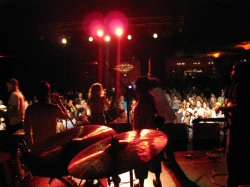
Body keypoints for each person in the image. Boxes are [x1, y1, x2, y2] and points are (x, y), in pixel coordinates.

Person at [218, 62, 250, 187]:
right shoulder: (240, 85)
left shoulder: (240, 85)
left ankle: (234, 181)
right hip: (239, 125)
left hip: (239, 126)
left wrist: (223, 109)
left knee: (233, 155)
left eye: (234, 70)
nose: (231, 73)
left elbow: (241, 105)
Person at [133, 76, 162, 187]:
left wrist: (135, 135)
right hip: (152, 131)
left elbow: (140, 119)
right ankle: (158, 180)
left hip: (143, 134)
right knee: (155, 157)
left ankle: (141, 184)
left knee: (141, 159)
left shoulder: (142, 101)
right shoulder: (150, 96)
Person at [149, 77, 177, 164]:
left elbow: (157, 106)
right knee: (167, 139)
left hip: (164, 118)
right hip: (168, 117)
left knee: (165, 139)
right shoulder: (160, 91)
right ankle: (166, 157)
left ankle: (170, 158)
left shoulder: (154, 93)